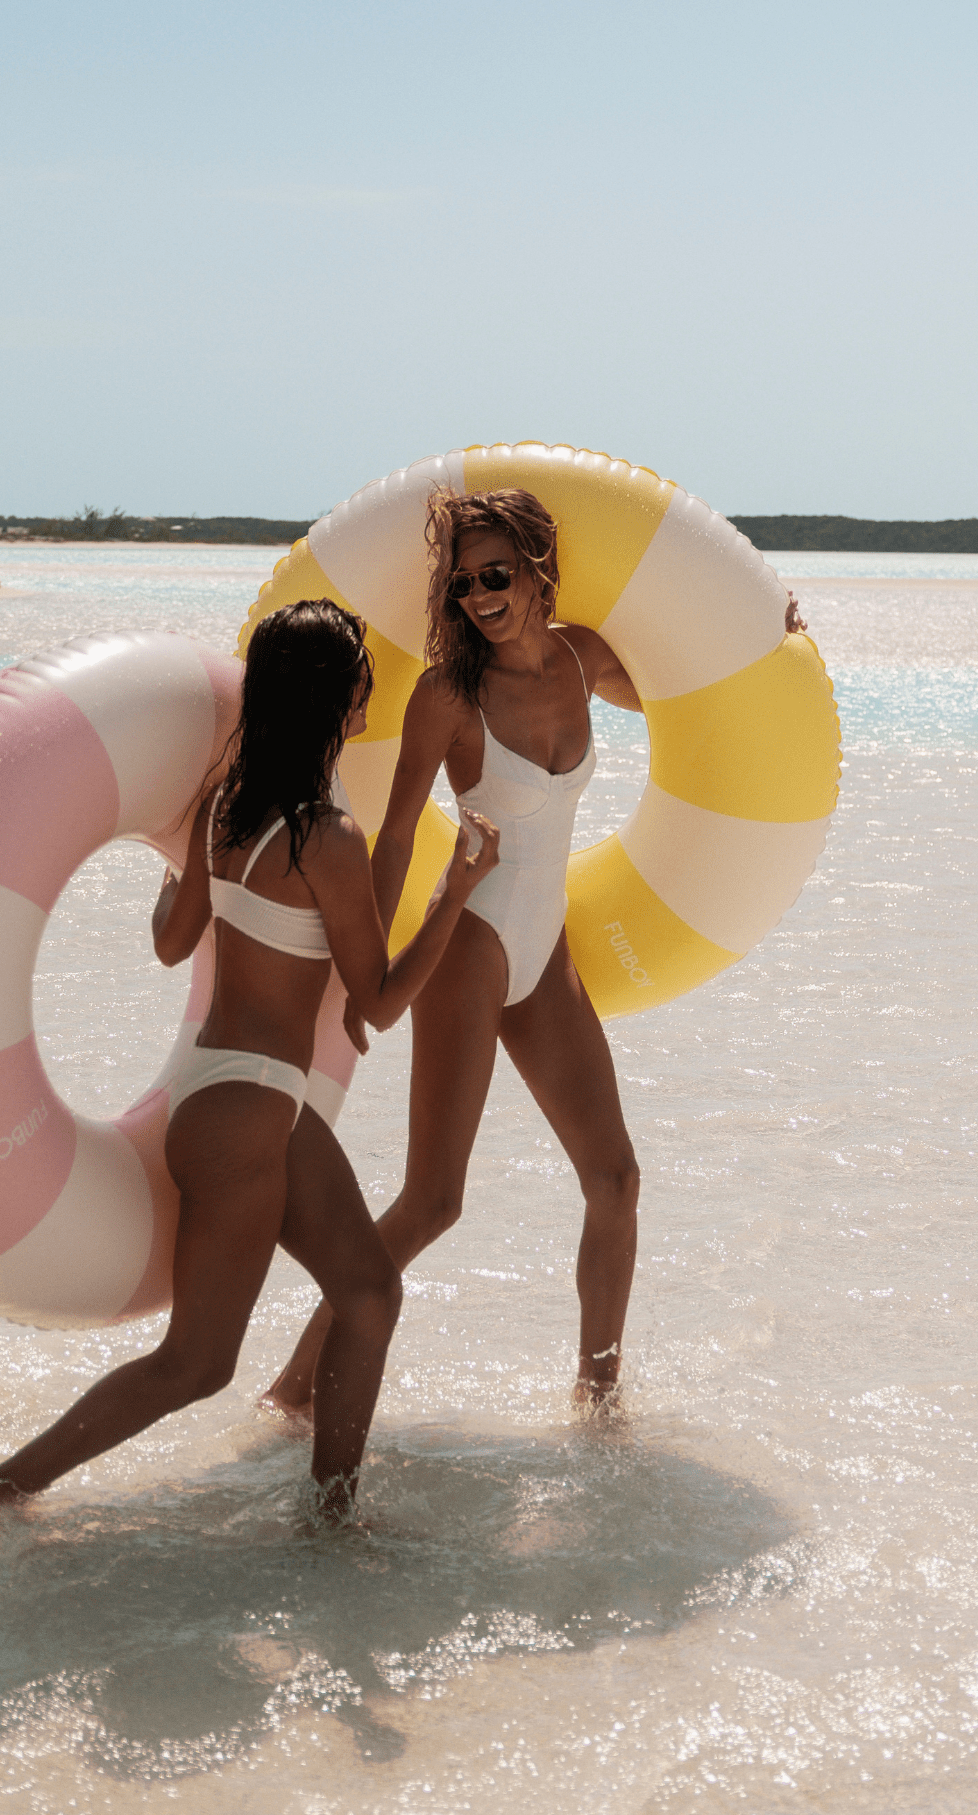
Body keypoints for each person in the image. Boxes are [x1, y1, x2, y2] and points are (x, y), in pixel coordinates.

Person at [0, 600, 499, 1516]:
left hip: (230, 1097)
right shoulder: (327, 836)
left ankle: (332, 1515)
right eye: (362, 670)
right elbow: (379, 1002)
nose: (372, 683)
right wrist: (457, 888)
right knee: (198, 1364)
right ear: (339, 693)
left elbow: (172, 943)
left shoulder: (224, 808)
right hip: (248, 1116)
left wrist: (190, 868)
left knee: (367, 1293)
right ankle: (3, 1484)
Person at [265, 487, 649, 1416]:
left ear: (536, 569)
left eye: (496, 574)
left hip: (543, 947)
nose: (478, 595)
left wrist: (765, 638)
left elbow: (690, 696)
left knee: (617, 1180)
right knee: (435, 1201)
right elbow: (396, 837)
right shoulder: (449, 695)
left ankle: (598, 1399)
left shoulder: (584, 657)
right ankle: (294, 1389)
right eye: (463, 581)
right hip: (470, 949)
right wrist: (369, 974)